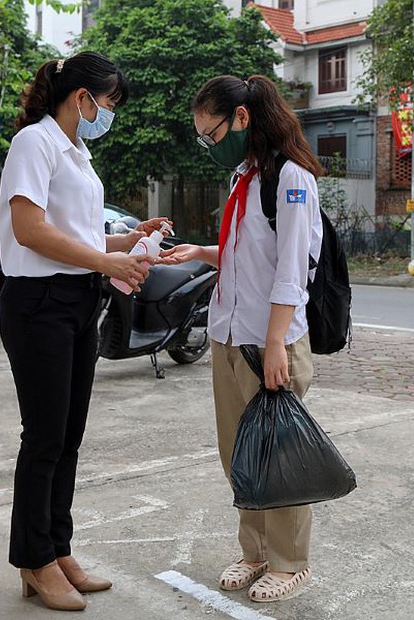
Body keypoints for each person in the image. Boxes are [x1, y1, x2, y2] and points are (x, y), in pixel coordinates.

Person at [0, 52, 170, 611]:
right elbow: (29, 230)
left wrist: (126, 241)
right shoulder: (35, 143)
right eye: (109, 103)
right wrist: (104, 263)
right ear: (82, 98)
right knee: (44, 436)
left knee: (68, 437)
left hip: (75, 299)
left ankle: (57, 548)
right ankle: (33, 559)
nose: (109, 113)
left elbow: (81, 235)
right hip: (39, 303)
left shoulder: (78, 152)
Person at [157, 74, 322, 602]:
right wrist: (203, 252)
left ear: (243, 118)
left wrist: (275, 345)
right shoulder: (243, 176)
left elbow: (291, 271)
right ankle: (254, 552)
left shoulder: (291, 179)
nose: (208, 144)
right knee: (239, 453)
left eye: (212, 132)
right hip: (228, 335)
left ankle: (290, 560)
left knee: (280, 455)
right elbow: (249, 253)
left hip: (266, 341)